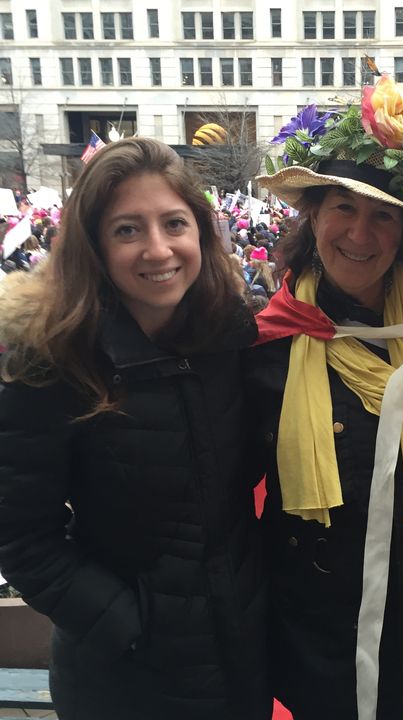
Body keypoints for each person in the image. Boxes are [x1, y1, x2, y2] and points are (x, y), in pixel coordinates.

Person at [247, 81, 403, 720]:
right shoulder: (264, 348)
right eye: (343, 207)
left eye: (383, 213)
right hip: (323, 652)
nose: (361, 232)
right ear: (313, 217)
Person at [0, 138, 270, 720]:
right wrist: (124, 624)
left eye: (174, 223)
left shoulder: (233, 338)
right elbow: (22, 537)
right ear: (94, 246)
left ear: (201, 232)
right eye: (128, 229)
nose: (157, 249)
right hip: (126, 677)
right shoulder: (51, 360)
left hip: (240, 654)